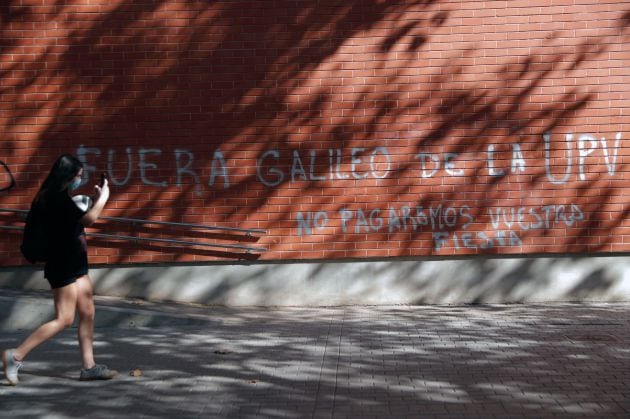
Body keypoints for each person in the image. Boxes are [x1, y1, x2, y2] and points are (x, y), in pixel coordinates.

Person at [2, 154, 117, 385]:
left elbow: (77, 219)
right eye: (78, 176)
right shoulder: (53, 199)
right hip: (61, 264)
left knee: (88, 312)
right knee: (64, 319)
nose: (79, 180)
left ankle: (89, 367)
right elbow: (88, 221)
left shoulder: (59, 197)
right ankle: (14, 356)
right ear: (66, 175)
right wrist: (103, 198)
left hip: (75, 262)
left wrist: (93, 201)